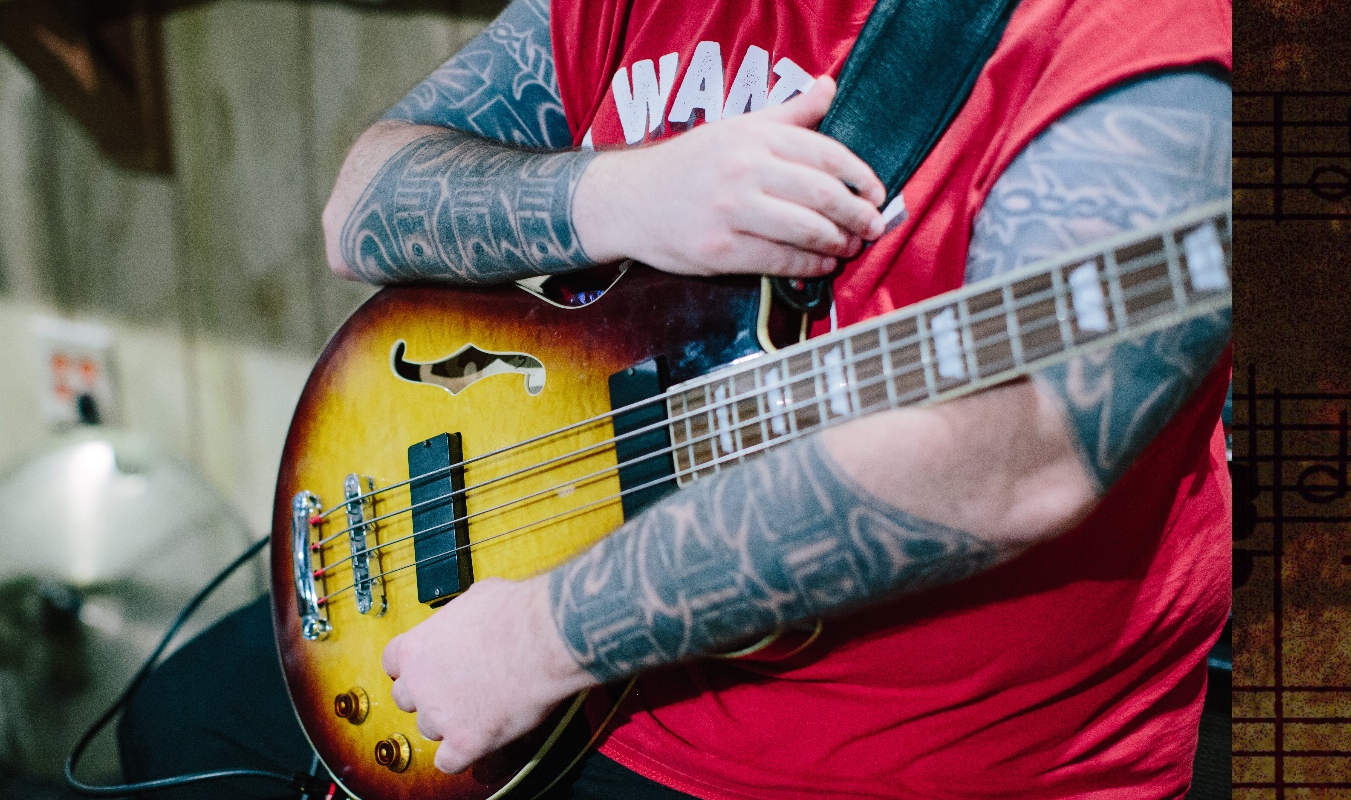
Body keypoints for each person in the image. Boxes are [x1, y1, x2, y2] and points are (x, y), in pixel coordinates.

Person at [119, 0, 1232, 796]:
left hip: (885, 752)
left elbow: (1022, 449)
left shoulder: (1138, 32)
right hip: (554, 569)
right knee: (175, 721)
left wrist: (540, 638)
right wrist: (617, 196)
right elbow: (362, 202)